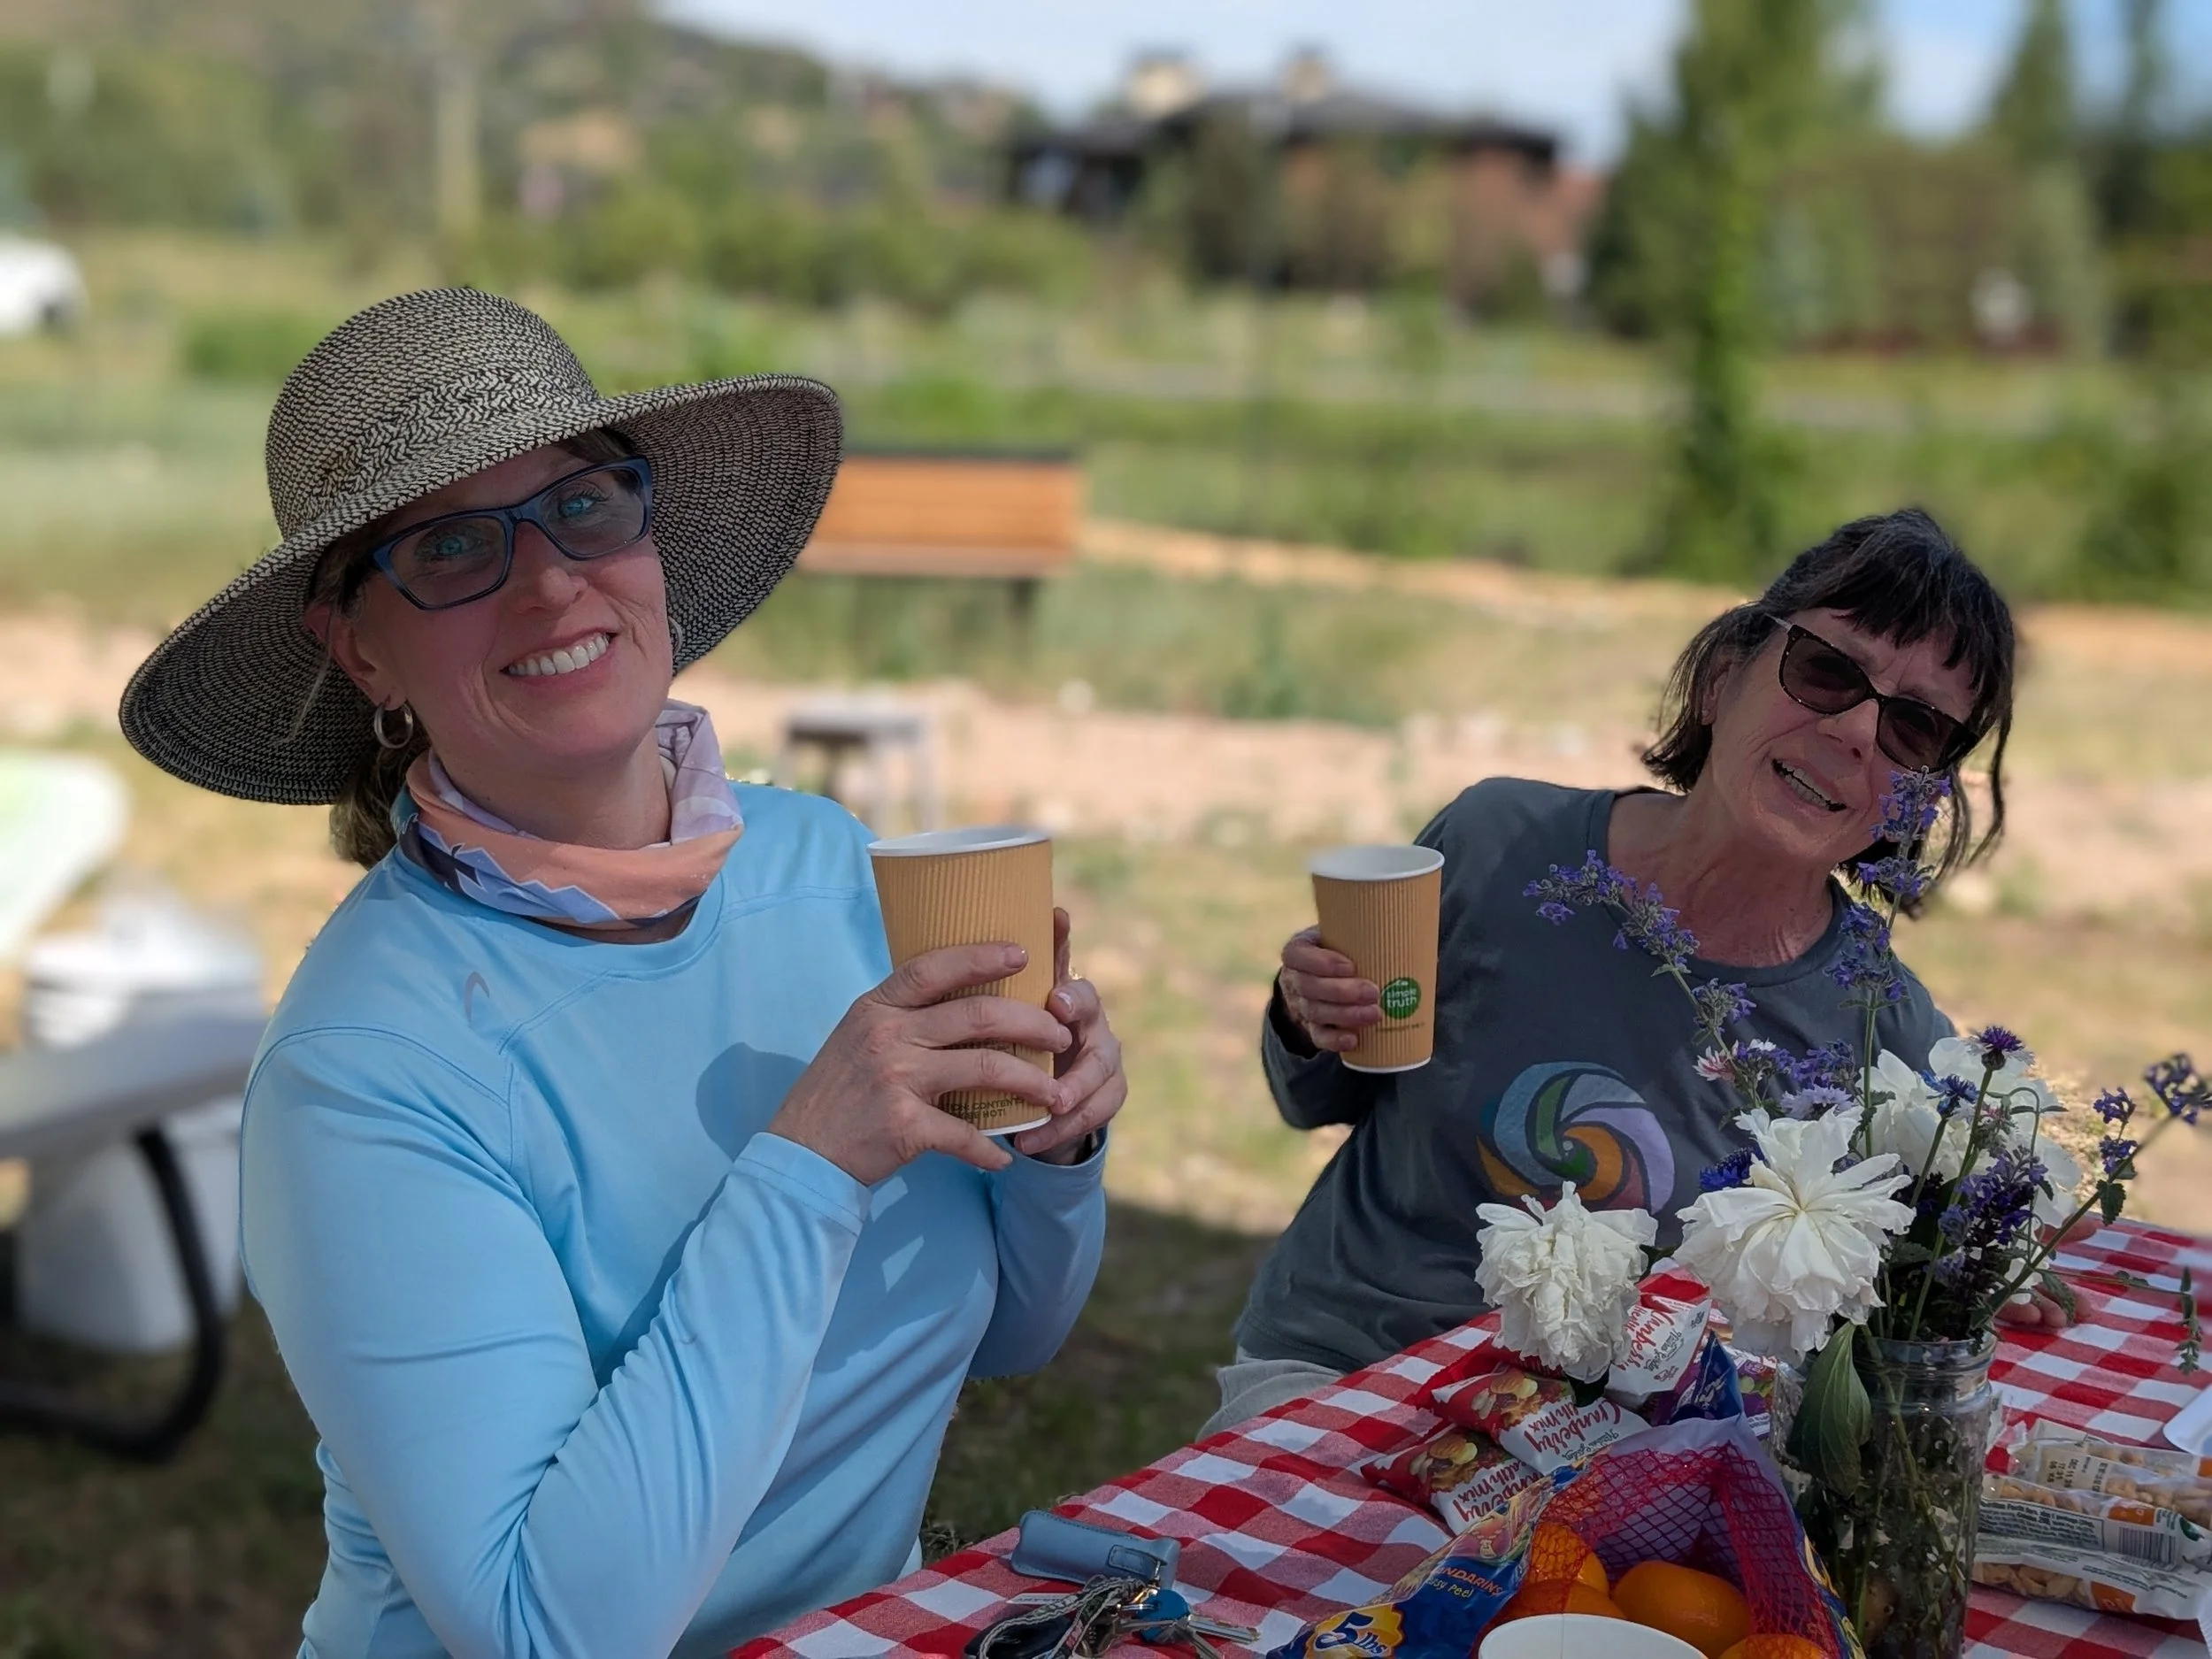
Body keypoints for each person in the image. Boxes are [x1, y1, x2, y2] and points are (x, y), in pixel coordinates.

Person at [119, 288, 1127, 1658]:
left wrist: (1059, 1149)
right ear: (359, 647)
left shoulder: (830, 862)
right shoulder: (363, 1070)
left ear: (646, 542)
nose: (547, 583)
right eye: (452, 545)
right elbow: (546, 1629)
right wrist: (810, 1165)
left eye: (583, 505)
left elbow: (1002, 1329)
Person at [1210, 508, 2046, 1435]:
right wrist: (1307, 1015)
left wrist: (1974, 1262)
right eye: (1826, 670)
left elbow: (1939, 1252)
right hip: (1346, 1372)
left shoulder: (1883, 1029)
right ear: (1722, 678)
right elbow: (1315, 1097)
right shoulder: (1496, 842)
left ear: (1922, 795)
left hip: (1619, 1437)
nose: (1854, 729)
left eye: (1914, 727)